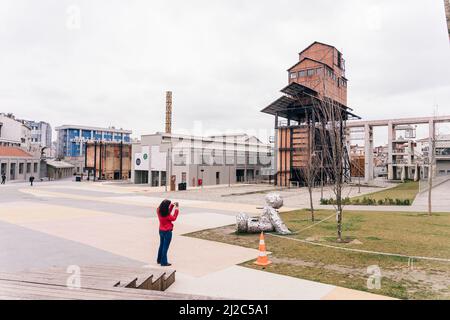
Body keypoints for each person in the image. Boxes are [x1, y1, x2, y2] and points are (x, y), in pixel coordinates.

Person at [156, 199, 179, 267]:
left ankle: (159, 260)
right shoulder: (167, 215)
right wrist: (176, 208)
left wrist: (172, 205)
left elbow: (167, 211)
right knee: (165, 247)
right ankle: (164, 262)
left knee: (161, 245)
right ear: (166, 207)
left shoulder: (158, 210)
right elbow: (174, 218)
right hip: (167, 232)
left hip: (161, 230)